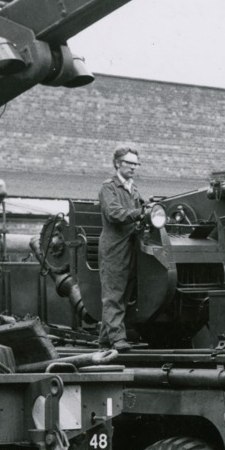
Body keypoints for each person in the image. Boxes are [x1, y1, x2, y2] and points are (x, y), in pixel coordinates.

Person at [98, 146, 144, 351]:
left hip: (130, 245)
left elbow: (141, 209)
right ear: (118, 163)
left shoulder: (133, 188)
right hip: (114, 247)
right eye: (130, 163)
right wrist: (138, 213)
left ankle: (106, 339)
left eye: (136, 163)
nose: (134, 167)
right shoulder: (109, 187)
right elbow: (113, 213)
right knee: (114, 292)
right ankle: (117, 339)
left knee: (123, 293)